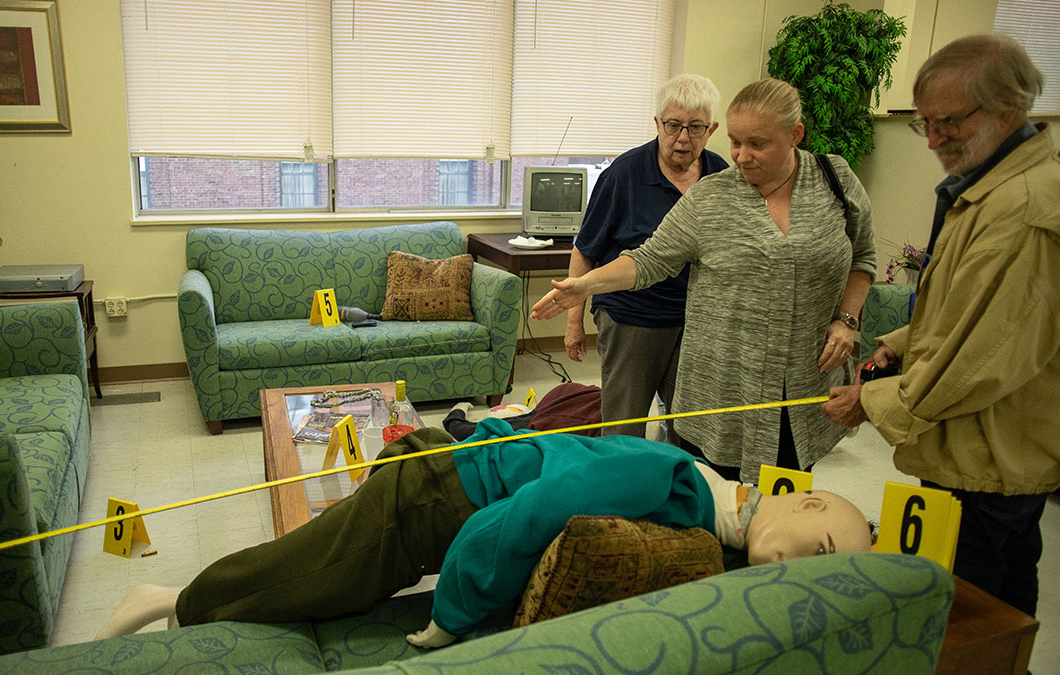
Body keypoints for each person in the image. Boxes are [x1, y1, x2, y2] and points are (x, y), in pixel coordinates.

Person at [94, 422, 873, 648]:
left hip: (445, 482)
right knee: (311, 578)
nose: (808, 566)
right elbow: (527, 515)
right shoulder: (674, 481)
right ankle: (170, 598)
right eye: (824, 549)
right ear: (802, 505)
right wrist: (453, 616)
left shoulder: (707, 509)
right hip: (435, 493)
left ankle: (173, 596)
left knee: (317, 569)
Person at [533, 78, 875, 483]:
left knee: (789, 494)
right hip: (720, 372)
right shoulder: (709, 195)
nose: (742, 156)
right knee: (710, 487)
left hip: (803, 377)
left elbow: (863, 255)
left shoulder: (835, 180)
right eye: (736, 143)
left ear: (795, 135)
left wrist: (846, 318)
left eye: (757, 144)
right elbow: (649, 259)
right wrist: (584, 286)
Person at [822, 34, 1060, 618]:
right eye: (923, 123)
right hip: (970, 444)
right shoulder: (987, 188)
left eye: (947, 122)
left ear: (1008, 109)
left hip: (989, 454)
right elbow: (962, 307)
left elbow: (981, 357)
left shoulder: (1022, 210)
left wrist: (874, 402)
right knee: (992, 592)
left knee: (977, 608)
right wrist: (899, 346)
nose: (932, 140)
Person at [565, 73, 728, 441]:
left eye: (695, 127)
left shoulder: (722, 176)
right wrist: (574, 320)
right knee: (624, 426)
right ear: (657, 124)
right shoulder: (623, 175)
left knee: (691, 428)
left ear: (711, 129)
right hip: (632, 317)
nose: (683, 138)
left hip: (696, 322)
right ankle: (622, 495)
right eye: (673, 126)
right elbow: (585, 249)